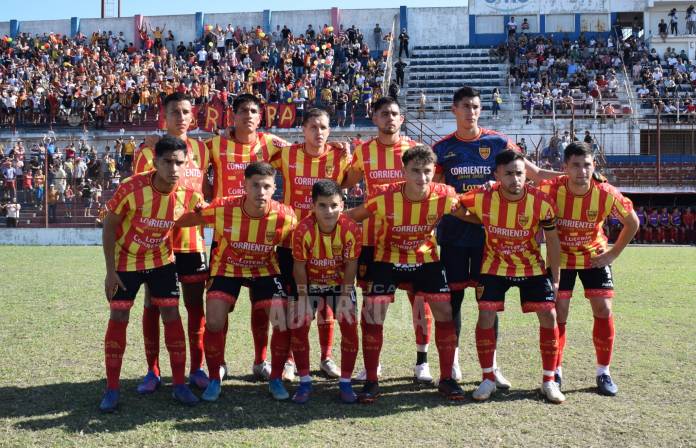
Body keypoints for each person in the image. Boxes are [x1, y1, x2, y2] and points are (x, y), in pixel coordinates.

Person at [432, 86, 559, 384]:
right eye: (465, 106)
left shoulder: (498, 142)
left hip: (489, 240)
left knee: (489, 304)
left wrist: (578, 178)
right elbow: (436, 190)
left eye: (476, 106)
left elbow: (536, 174)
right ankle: (453, 362)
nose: (471, 112)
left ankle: (492, 367)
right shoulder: (442, 148)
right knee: (453, 300)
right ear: (454, 109)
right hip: (453, 235)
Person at [347, 145, 470, 402]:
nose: (421, 177)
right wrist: (318, 220)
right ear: (404, 171)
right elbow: (353, 216)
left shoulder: (445, 195)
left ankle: (446, 379)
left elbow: (470, 214)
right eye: (415, 171)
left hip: (425, 258)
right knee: (372, 314)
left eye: (427, 171)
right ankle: (371, 381)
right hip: (386, 257)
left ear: (433, 171)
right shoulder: (383, 195)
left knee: (445, 311)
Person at [175, 162, 297, 402]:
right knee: (214, 321)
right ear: (244, 186)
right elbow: (183, 220)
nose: (261, 192)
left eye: (266, 186)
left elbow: (302, 240)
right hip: (227, 267)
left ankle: (275, 378)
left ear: (274, 189)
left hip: (264, 269)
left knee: (282, 320)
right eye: (255, 185)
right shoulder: (223, 208)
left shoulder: (285, 216)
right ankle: (214, 378)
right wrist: (185, 209)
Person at [99, 136, 204, 413]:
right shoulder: (131, 188)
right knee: (119, 316)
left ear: (186, 164)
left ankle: (179, 385)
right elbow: (109, 225)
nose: (173, 168)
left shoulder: (190, 194)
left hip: (161, 261)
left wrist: (206, 213)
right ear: (155, 162)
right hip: (126, 261)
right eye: (167, 162)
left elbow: (196, 216)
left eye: (179, 163)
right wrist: (110, 271)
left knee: (171, 314)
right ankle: (112, 388)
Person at [342, 97, 436, 383]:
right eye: (384, 114)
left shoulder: (414, 150)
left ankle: (422, 362)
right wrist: (338, 156)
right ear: (374, 118)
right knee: (373, 305)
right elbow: (345, 182)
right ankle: (373, 364)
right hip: (374, 240)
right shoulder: (364, 150)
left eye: (395, 113)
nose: (390, 118)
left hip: (414, 239)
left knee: (420, 301)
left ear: (402, 119)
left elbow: (432, 185)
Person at [460, 149, 565, 404]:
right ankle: (488, 378)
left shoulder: (541, 201)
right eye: (508, 174)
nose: (515, 179)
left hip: (531, 267)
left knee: (549, 316)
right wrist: (476, 218)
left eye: (519, 173)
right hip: (494, 266)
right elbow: (455, 205)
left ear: (526, 174)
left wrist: (555, 277)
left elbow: (553, 241)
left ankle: (549, 381)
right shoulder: (483, 196)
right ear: (496, 175)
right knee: (485, 315)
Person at [539, 142, 639, 396]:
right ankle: (555, 371)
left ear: (594, 166)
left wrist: (613, 253)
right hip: (561, 258)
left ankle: (603, 371)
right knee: (559, 312)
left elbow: (632, 222)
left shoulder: (606, 193)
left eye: (587, 165)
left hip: (594, 257)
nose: (582, 171)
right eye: (575, 165)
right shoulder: (550, 189)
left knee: (603, 308)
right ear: (565, 167)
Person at [206, 93, 292, 381]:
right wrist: (151, 143)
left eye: (254, 110)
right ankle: (219, 363)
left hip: (261, 236)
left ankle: (260, 360)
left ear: (260, 116)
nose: (249, 115)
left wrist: (337, 148)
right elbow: (187, 158)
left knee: (262, 304)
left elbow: (303, 153)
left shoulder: (271, 144)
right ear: (234, 115)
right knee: (220, 309)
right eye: (243, 110)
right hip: (226, 237)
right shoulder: (215, 144)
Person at [132, 92, 212, 393]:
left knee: (195, 305)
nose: (181, 117)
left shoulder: (203, 149)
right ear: (163, 116)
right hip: (156, 242)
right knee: (153, 305)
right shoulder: (147, 152)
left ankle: (196, 368)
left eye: (186, 111)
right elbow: (139, 194)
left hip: (191, 242)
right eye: (175, 112)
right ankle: (152, 371)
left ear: (193, 116)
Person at [270, 108, 353, 379]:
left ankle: (326, 357)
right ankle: (290, 360)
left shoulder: (339, 156)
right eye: (313, 127)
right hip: (291, 241)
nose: (319, 132)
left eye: (324, 127)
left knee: (326, 303)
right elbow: (254, 153)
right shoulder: (287, 154)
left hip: (329, 241)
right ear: (303, 129)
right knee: (294, 303)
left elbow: (355, 176)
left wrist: (347, 149)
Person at [289, 180, 362, 404]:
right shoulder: (302, 230)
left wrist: (345, 296)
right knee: (299, 324)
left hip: (338, 285)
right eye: (322, 205)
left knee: (349, 325)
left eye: (333, 205)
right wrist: (303, 298)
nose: (328, 211)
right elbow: (299, 267)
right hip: (309, 284)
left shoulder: (351, 229)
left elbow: (351, 265)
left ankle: (346, 383)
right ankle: (304, 382)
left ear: (342, 205)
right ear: (313, 206)